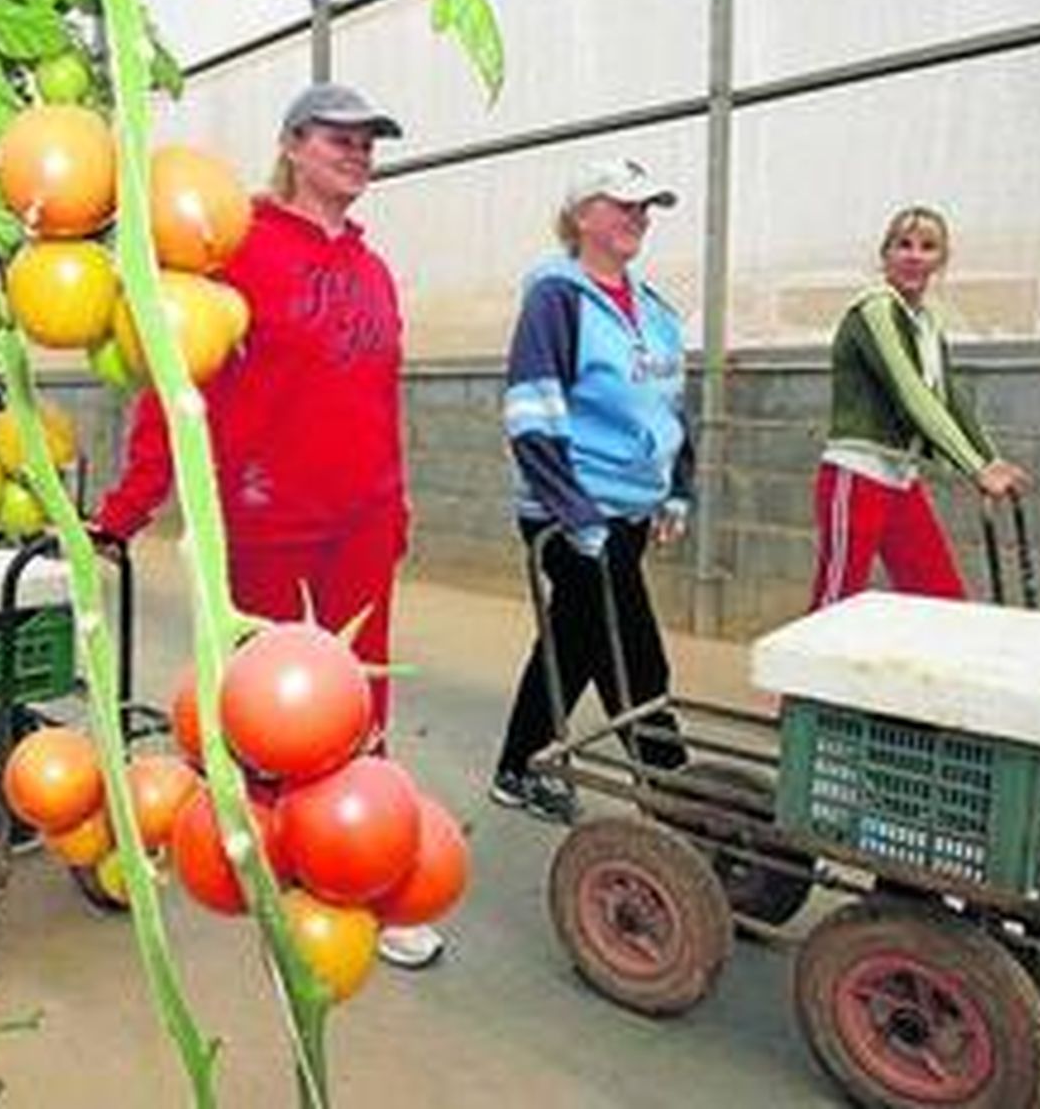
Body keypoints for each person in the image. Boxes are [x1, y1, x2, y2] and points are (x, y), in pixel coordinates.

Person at [92, 83, 444, 969]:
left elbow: (379, 398)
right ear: (292, 144)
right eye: (340, 138)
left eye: (369, 142)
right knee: (275, 714)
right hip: (265, 520)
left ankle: (363, 874)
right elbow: (177, 386)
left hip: (361, 521)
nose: (358, 153)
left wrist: (395, 505)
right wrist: (125, 510)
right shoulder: (236, 249)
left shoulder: (373, 268)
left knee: (361, 701)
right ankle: (276, 870)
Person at [490, 158, 694, 825]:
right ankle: (674, 788)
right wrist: (576, 513)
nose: (639, 217)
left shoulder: (656, 309)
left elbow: (670, 407)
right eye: (624, 204)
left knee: (575, 637)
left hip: (629, 509)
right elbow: (531, 410)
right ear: (583, 216)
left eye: (646, 207)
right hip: (567, 508)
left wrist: (676, 489)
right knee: (629, 644)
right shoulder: (557, 297)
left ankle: (519, 767)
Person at [810, 206, 1032, 608]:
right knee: (834, 603)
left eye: (928, 247)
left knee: (940, 597)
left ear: (941, 260)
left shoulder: (927, 322)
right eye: (903, 245)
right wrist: (975, 468)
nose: (914, 255)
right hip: (857, 473)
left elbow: (950, 397)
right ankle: (799, 672)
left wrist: (990, 460)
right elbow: (913, 395)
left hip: (900, 477)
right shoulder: (875, 309)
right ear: (885, 254)